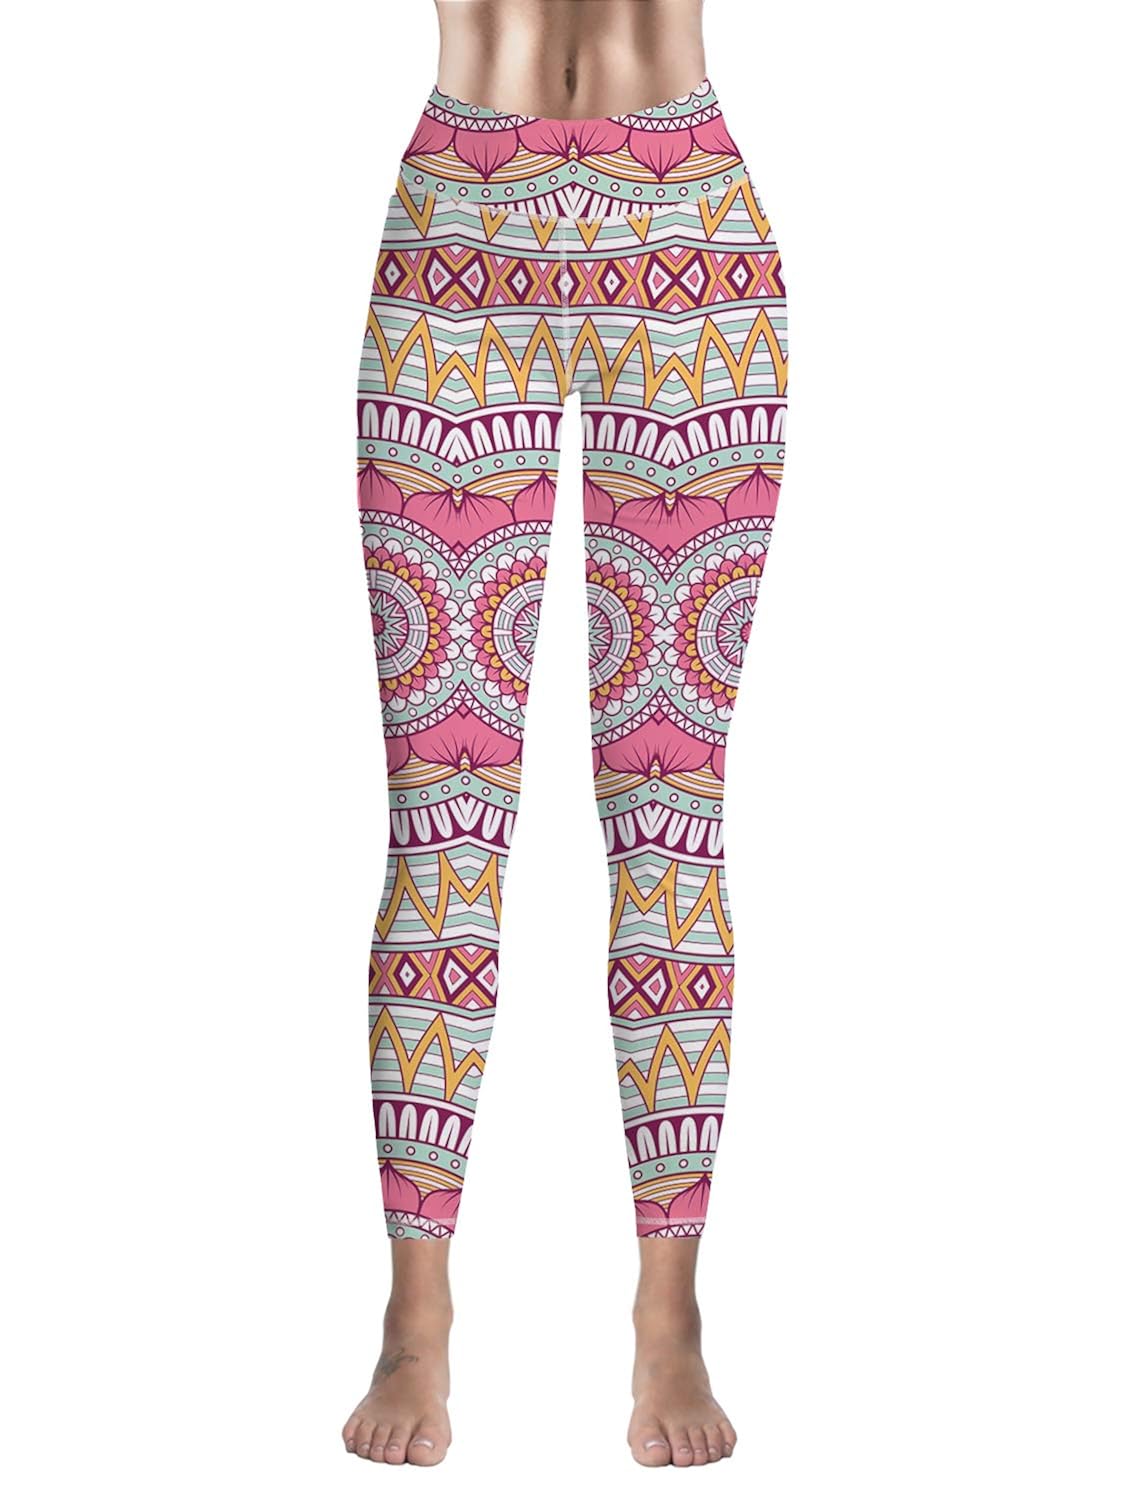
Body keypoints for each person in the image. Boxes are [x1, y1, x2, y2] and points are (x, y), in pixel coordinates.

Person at [343, 0, 787, 1466]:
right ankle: (416, 1316)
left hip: (689, 234)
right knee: (443, 814)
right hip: (457, 236)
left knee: (670, 814)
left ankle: (671, 1314)